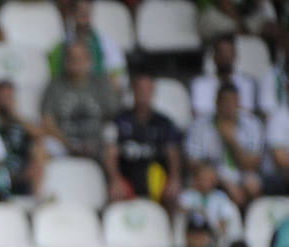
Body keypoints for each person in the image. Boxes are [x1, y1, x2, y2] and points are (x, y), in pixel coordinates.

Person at [103, 71, 183, 208]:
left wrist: (174, 178)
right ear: (133, 91)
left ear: (153, 91)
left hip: (157, 178)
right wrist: (115, 179)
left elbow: (173, 153)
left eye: (147, 89)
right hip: (127, 178)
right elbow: (110, 152)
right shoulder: (119, 120)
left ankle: (169, 228)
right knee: (115, 194)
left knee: (172, 195)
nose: (143, 93)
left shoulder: (164, 123)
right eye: (139, 89)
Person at [183, 81, 265, 209]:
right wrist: (223, 180)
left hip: (241, 175)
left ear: (238, 103)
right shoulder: (199, 125)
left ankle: (248, 222)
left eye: (233, 102)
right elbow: (191, 162)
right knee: (203, 180)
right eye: (225, 102)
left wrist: (231, 141)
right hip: (211, 175)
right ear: (217, 102)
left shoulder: (252, 125)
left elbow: (252, 164)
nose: (229, 107)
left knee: (253, 185)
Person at [40, 40, 120, 162]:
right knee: (42, 147)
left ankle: (113, 180)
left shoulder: (101, 84)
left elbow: (114, 116)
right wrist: (68, 143)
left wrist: (116, 90)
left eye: (80, 58)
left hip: (95, 142)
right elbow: (47, 121)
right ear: (66, 61)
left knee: (113, 146)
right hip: (64, 141)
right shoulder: (55, 85)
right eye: (72, 58)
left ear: (89, 61)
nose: (76, 63)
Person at [0, 79, 48, 197]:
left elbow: (40, 134)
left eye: (9, 96)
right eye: (3, 97)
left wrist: (15, 117)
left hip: (19, 170)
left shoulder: (22, 123)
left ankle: (35, 200)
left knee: (39, 150)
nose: (6, 101)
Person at [190, 34, 257, 118]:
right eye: (221, 52)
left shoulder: (246, 83)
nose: (225, 57)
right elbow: (199, 114)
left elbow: (247, 114)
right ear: (214, 56)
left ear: (235, 55)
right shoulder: (200, 84)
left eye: (228, 53)